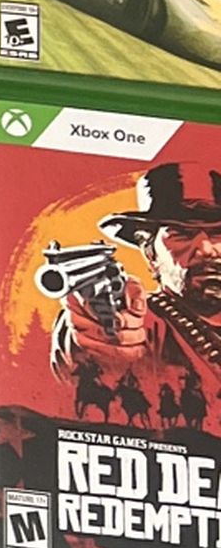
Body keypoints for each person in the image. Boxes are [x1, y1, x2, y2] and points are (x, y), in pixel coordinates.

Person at [52, 162, 221, 412]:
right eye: (181, 234)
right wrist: (94, 331)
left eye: (218, 233)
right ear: (150, 254)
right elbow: (85, 353)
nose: (206, 249)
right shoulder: (145, 324)